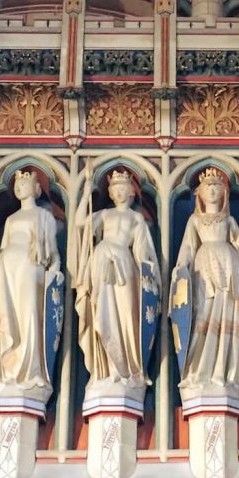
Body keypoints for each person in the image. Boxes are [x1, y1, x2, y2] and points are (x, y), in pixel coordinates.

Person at [74, 166, 160, 388]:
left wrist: (149, 277)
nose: (120, 192)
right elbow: (80, 225)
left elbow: (142, 251)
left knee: (127, 314)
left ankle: (129, 367)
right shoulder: (104, 214)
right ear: (110, 193)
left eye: (124, 188)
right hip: (102, 260)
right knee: (103, 311)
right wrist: (85, 196)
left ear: (132, 192)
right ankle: (107, 368)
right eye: (115, 188)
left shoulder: (137, 219)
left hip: (126, 264)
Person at [0, 169, 60, 391]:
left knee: (29, 316)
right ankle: (9, 372)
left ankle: (31, 371)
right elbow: (2, 248)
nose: (19, 187)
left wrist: (56, 273)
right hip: (6, 267)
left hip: (30, 268)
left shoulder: (44, 216)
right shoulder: (11, 219)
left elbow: (53, 251)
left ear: (37, 189)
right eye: (17, 184)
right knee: (6, 318)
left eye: (25, 183)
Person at [172, 167, 239, 397]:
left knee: (227, 315)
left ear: (225, 192)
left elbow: (238, 247)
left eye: (218, 186)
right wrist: (180, 269)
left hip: (228, 270)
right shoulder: (194, 221)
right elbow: (188, 247)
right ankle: (200, 371)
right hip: (203, 270)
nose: (213, 190)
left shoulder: (228, 220)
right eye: (209, 186)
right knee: (203, 316)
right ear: (199, 192)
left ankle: (222, 371)